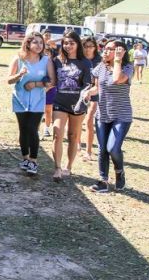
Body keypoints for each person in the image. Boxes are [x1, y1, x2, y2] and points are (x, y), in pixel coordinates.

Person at [86, 40, 135, 193]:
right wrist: (88, 92)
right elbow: (97, 87)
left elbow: (117, 79)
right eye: (104, 49)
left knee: (113, 148)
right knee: (102, 150)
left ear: (120, 51)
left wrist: (118, 60)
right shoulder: (100, 68)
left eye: (110, 49)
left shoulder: (127, 67)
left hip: (122, 115)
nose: (105, 52)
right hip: (103, 114)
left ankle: (119, 172)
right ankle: (103, 181)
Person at [7, 32, 56, 176]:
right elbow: (9, 80)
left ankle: (33, 161)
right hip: (19, 99)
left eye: (41, 43)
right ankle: (25, 158)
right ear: (28, 43)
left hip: (38, 100)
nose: (39, 45)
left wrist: (36, 84)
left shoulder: (46, 60)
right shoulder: (18, 59)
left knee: (32, 129)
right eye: (35, 42)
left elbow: (52, 82)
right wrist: (20, 75)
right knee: (23, 129)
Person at [51, 31, 92, 182]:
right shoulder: (57, 60)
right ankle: (57, 167)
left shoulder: (85, 63)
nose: (68, 46)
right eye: (65, 43)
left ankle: (69, 166)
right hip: (59, 102)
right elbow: (52, 80)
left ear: (77, 44)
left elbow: (88, 83)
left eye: (71, 43)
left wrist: (86, 93)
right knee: (57, 133)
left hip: (77, 105)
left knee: (73, 136)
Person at [81, 36, 102, 161]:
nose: (88, 49)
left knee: (89, 120)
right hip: (80, 92)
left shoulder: (100, 60)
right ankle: (78, 145)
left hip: (95, 92)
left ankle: (88, 151)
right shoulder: (80, 59)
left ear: (95, 47)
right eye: (85, 46)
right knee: (78, 120)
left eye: (91, 46)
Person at [41, 30, 58, 138]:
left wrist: (48, 88)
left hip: (50, 89)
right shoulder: (37, 62)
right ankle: (35, 131)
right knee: (38, 111)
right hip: (38, 88)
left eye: (49, 53)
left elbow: (55, 79)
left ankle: (46, 129)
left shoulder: (54, 63)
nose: (46, 55)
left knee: (48, 109)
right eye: (45, 53)